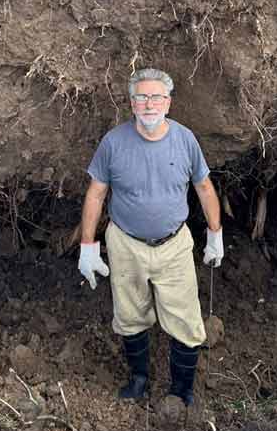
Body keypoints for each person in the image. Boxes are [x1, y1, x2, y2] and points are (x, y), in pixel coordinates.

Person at [78, 67, 224, 406]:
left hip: (173, 246)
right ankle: (138, 379)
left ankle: (181, 391)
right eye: (141, 97)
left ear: (168, 103)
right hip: (126, 244)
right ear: (132, 103)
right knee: (130, 316)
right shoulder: (114, 142)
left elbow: (203, 187)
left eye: (156, 97)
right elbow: (96, 194)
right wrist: (88, 245)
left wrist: (215, 234)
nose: (149, 103)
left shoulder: (186, 139)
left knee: (186, 322)